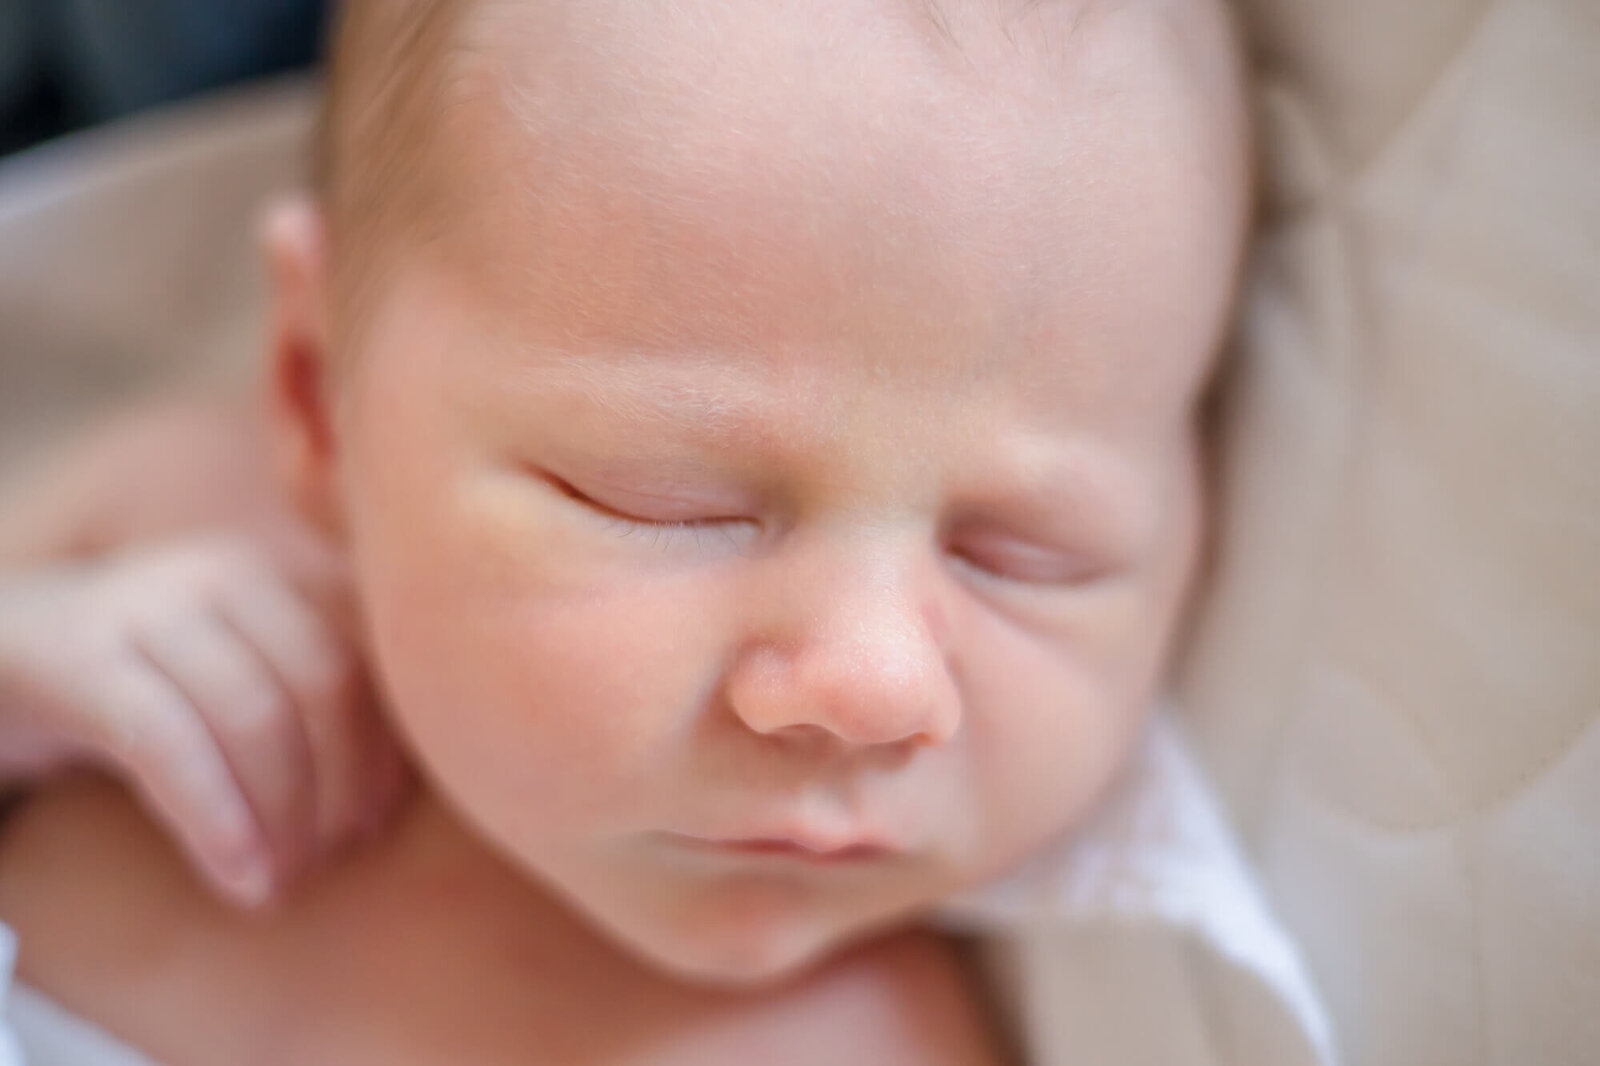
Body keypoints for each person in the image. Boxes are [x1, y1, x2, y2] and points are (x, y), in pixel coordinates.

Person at [0, 0, 1266, 1061]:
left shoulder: (883, 1032)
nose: (871, 685)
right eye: (673, 505)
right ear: (317, 395)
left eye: (1025, 551)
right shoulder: (159, 529)